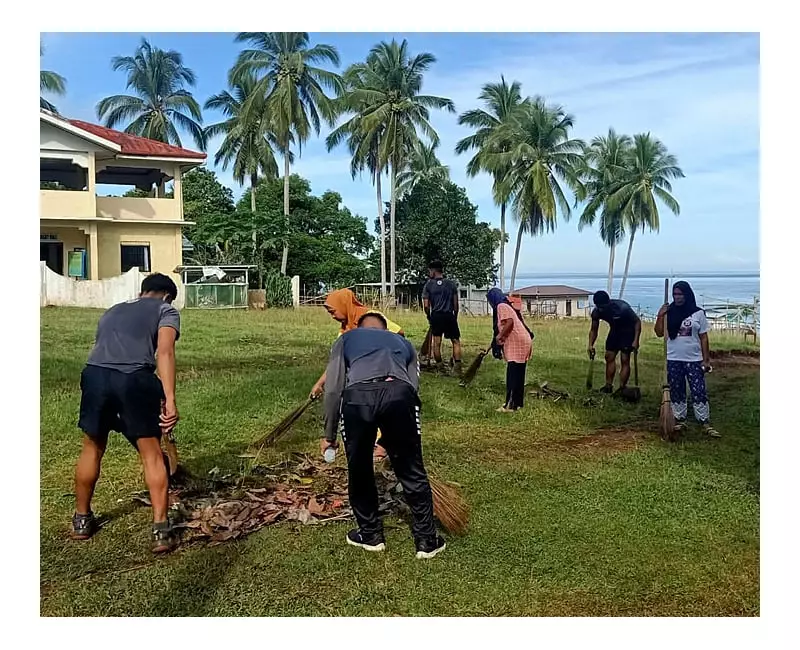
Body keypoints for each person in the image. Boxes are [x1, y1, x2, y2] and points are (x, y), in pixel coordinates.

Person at [320, 312, 446, 559]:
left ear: (359, 327)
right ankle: (426, 541)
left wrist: (329, 433)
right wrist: (391, 437)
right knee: (411, 469)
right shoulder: (403, 342)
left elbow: (334, 388)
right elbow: (412, 386)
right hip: (399, 396)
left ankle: (370, 536)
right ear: (385, 328)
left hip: (357, 398)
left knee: (359, 467)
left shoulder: (347, 339)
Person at [71, 273, 181, 554]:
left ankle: (82, 519)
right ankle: (161, 530)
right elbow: (165, 352)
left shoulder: (113, 310)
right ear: (167, 295)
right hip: (133, 379)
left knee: (92, 447)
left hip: (95, 376)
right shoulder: (166, 310)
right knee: (151, 452)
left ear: (143, 291)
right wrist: (169, 398)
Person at [309, 288, 404, 462]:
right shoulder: (345, 329)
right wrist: (320, 383)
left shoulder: (370, 318)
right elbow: (338, 363)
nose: (332, 316)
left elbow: (399, 334)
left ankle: (382, 445)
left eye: (333, 311)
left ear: (344, 305)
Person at [655, 281, 720, 437]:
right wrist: (660, 315)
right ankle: (679, 419)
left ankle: (704, 421)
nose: (677, 297)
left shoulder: (698, 313)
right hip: (673, 358)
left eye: (680, 294)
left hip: (694, 359)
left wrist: (706, 360)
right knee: (677, 390)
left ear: (687, 294)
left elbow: (703, 337)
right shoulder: (669, 311)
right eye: (675, 294)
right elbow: (659, 333)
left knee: (699, 390)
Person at [487, 288, 533, 412]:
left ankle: (510, 405)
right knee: (519, 373)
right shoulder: (507, 305)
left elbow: (509, 322)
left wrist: (500, 336)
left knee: (512, 374)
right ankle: (517, 403)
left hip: (517, 342)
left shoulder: (501, 306)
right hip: (523, 340)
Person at [587, 290, 642, 395]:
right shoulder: (597, 311)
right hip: (615, 332)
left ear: (608, 302)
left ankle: (622, 388)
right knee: (609, 357)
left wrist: (636, 340)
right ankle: (608, 386)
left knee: (624, 359)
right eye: (599, 307)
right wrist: (590, 345)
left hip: (628, 332)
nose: (601, 309)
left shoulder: (622, 308)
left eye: (603, 306)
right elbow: (594, 329)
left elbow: (637, 322)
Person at [422, 260, 462, 376]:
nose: (429, 273)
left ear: (434, 271)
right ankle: (458, 367)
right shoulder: (451, 284)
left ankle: (440, 368)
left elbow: (426, 305)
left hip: (436, 316)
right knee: (455, 341)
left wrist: (429, 316)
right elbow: (456, 305)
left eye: (430, 271)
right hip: (449, 315)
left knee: (437, 343)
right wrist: (455, 316)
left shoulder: (428, 285)